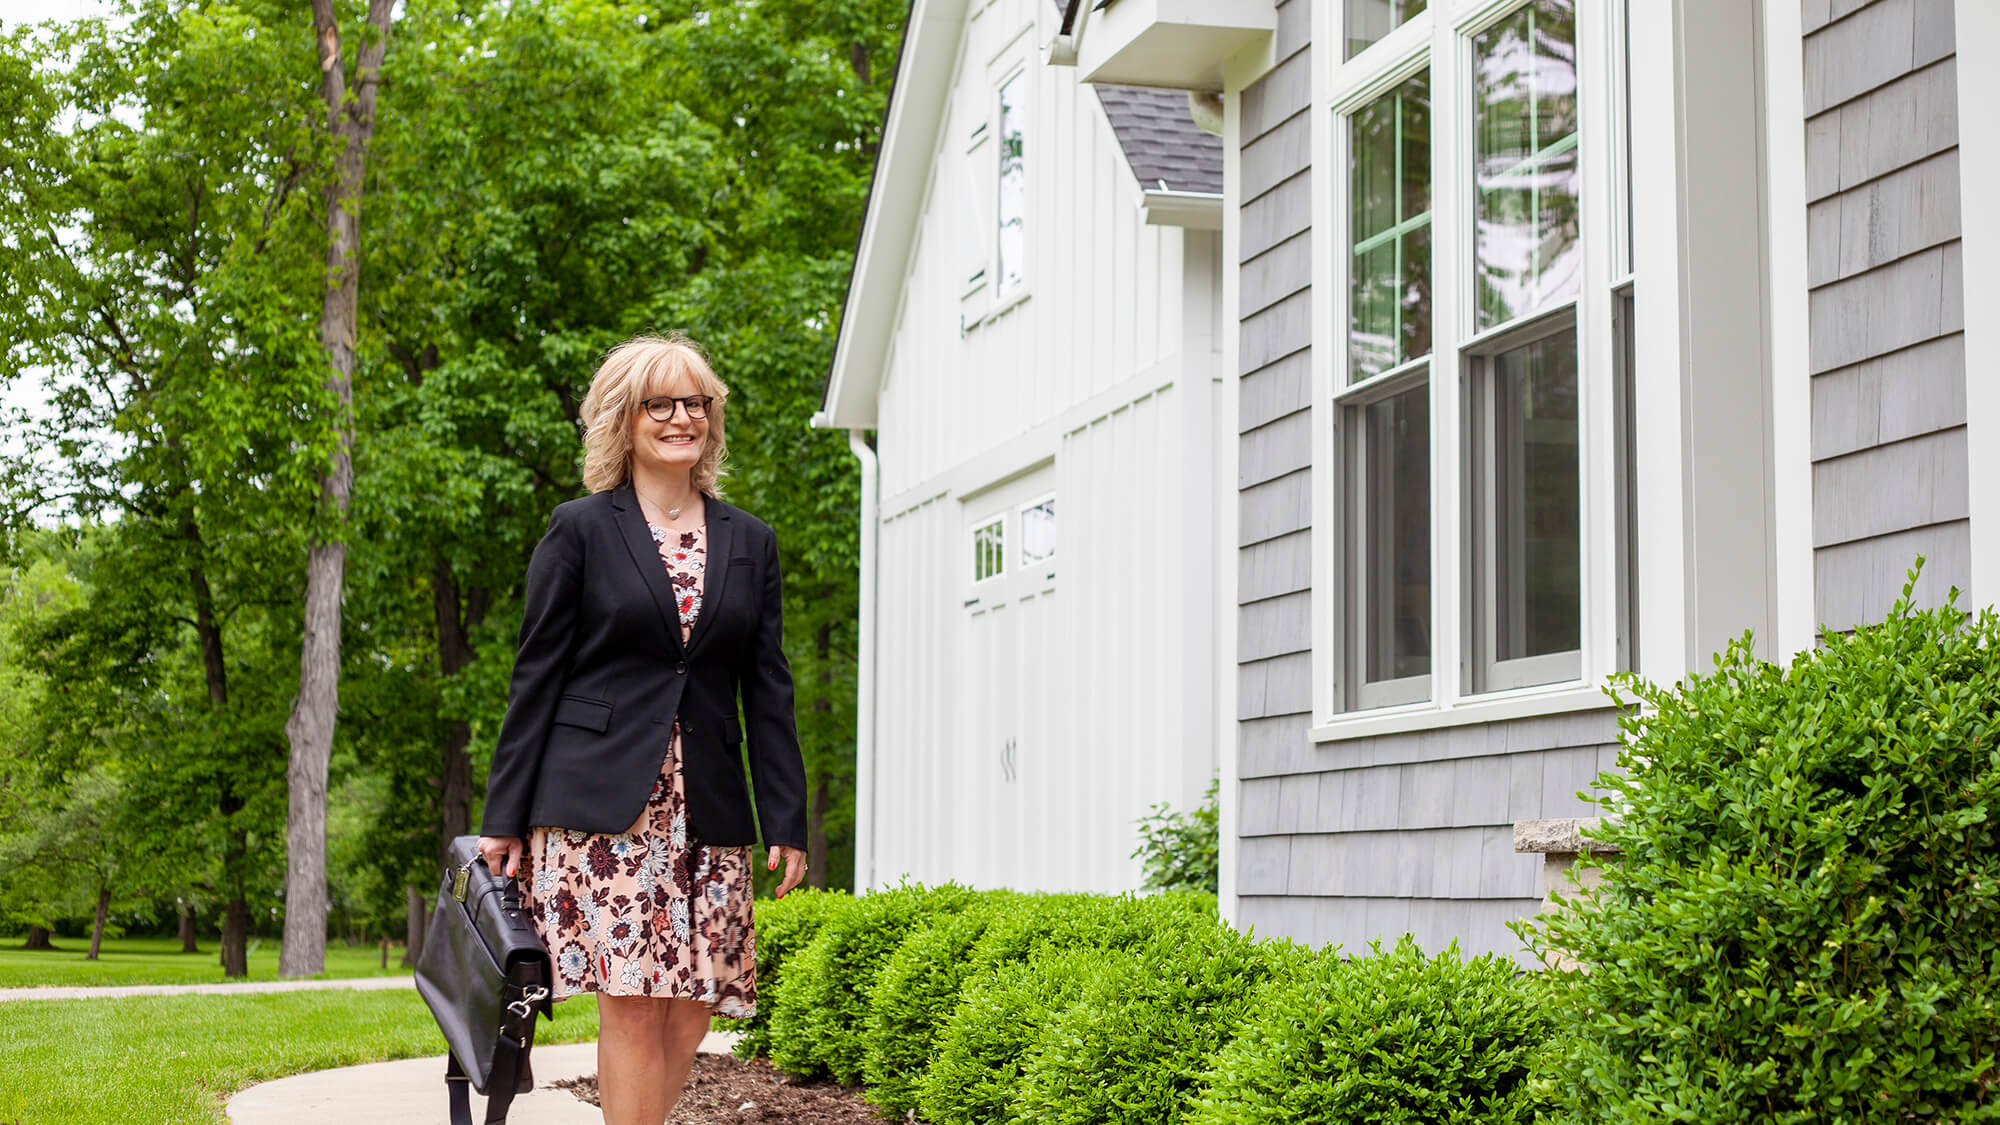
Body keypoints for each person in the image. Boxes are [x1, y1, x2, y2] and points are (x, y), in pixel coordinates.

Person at [475, 332, 809, 1125]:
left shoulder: (750, 541)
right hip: (603, 800)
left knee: (692, 1004)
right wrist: (505, 815)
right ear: (626, 419)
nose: (682, 417)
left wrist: (786, 817)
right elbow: (537, 676)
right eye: (661, 402)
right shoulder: (580, 529)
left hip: (709, 803)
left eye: (696, 402)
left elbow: (767, 687)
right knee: (630, 1000)